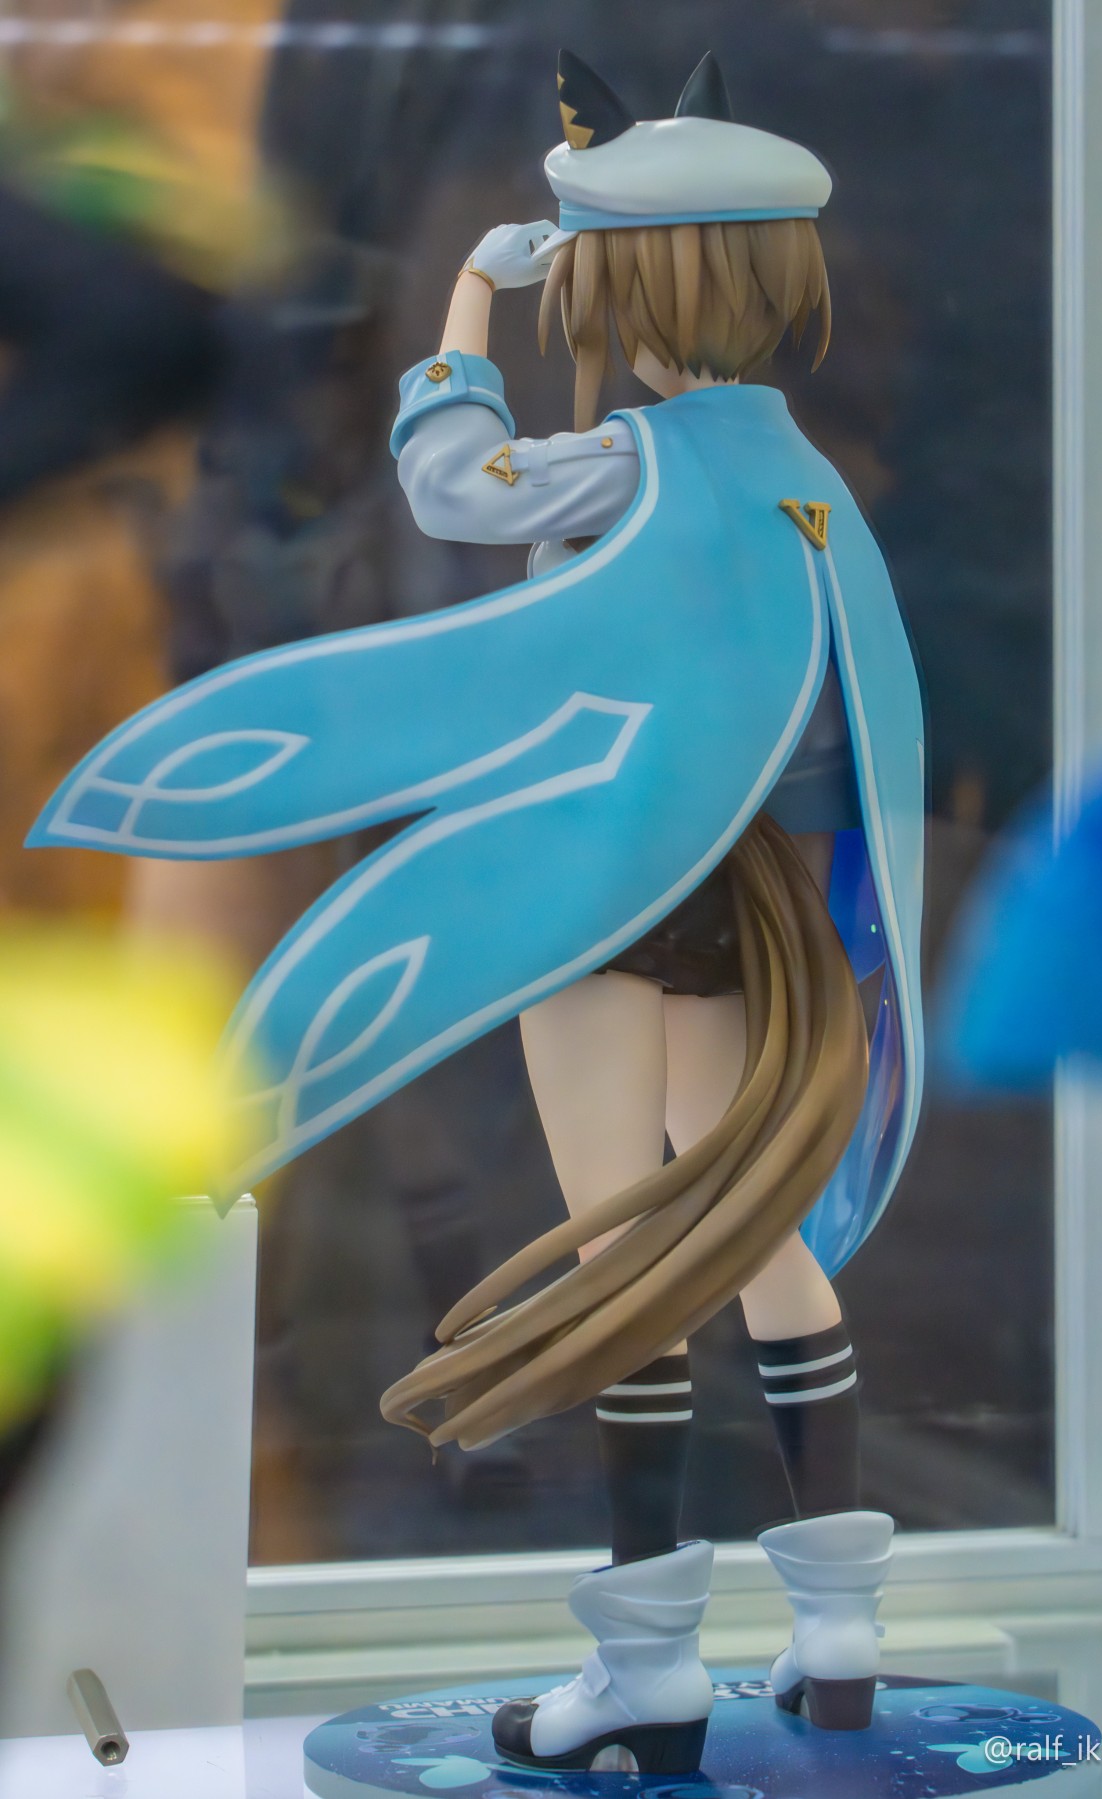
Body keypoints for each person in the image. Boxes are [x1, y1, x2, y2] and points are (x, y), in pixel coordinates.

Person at [29, 50, 925, 1772]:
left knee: (621, 1260)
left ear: (620, 286)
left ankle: (651, 1666)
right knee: (763, 1241)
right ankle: (839, 1633)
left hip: (614, 895)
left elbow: (456, 485)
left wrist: (462, 309)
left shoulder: (635, 465)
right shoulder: (811, 486)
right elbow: (853, 732)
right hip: (763, 916)